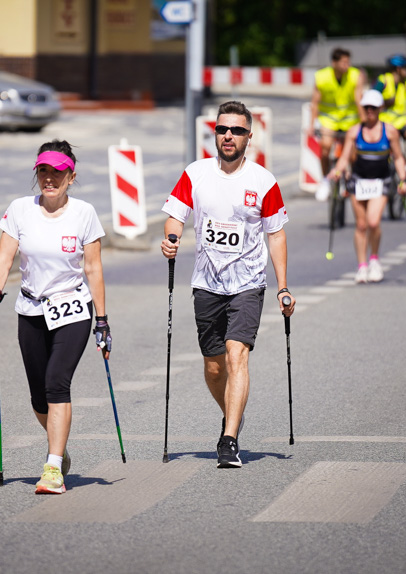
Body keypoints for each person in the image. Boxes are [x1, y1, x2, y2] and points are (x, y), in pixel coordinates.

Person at [161, 100, 295, 469]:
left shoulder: (263, 181)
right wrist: (171, 238)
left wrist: (282, 285)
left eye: (236, 130)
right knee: (214, 366)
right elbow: (175, 216)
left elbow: (277, 236)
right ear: (214, 133)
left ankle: (229, 437)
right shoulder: (196, 173)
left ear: (249, 137)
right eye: (222, 129)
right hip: (206, 283)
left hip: (248, 282)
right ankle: (232, 411)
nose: (229, 136)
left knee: (237, 354)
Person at [0, 139, 110, 494]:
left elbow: (93, 269)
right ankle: (60, 446)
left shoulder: (84, 213)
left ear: (71, 176)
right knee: (39, 396)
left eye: (57, 172)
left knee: (57, 383)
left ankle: (52, 467)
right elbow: (4, 256)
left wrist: (102, 320)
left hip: (71, 308)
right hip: (31, 309)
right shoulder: (20, 209)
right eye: (43, 171)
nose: (49, 179)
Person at [328, 89, 406, 284]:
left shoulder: (389, 131)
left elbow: (398, 157)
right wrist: (338, 171)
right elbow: (345, 157)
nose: (369, 111)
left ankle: (374, 259)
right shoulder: (355, 131)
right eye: (366, 107)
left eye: (373, 107)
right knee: (361, 225)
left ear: (380, 108)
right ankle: (362, 266)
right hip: (359, 181)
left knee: (373, 222)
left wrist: (403, 179)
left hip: (381, 181)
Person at [310, 47, 366, 201]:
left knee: (354, 154)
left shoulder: (355, 75)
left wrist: (364, 123)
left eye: (348, 62)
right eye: (343, 62)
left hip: (350, 119)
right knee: (325, 148)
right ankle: (325, 181)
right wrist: (312, 124)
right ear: (333, 63)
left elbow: (358, 99)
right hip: (329, 119)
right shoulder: (321, 76)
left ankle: (354, 180)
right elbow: (315, 102)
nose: (347, 66)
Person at [374, 54, 406, 186]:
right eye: (405, 68)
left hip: (401, 123)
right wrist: (384, 103)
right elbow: (371, 98)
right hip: (384, 124)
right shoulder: (384, 81)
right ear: (398, 69)